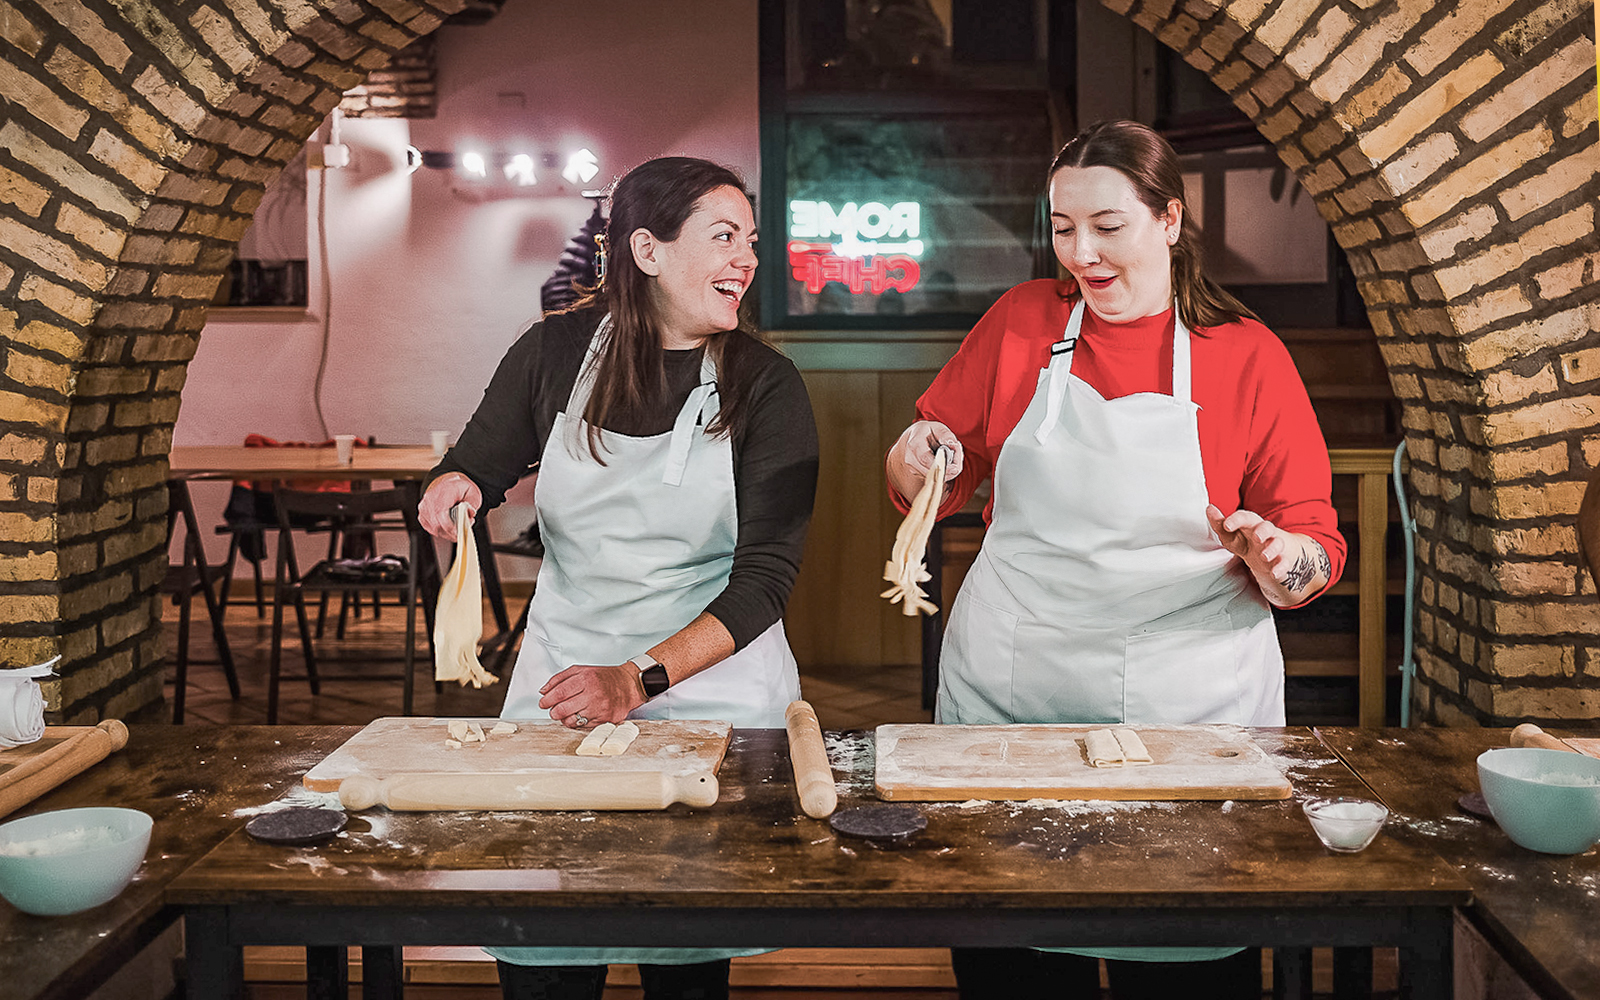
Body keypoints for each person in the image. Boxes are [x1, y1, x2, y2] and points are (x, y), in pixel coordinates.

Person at [884, 120, 1347, 1000]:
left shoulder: (1247, 354)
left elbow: (1313, 555)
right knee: (1013, 945)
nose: (1083, 254)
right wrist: (921, 455)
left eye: (1108, 226)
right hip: (1015, 693)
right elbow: (930, 477)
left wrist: (1275, 555)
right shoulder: (1023, 321)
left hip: (1190, 708)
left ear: (1169, 220)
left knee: (1180, 952)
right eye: (1064, 228)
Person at [419, 156, 820, 1000]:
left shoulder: (763, 384)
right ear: (646, 249)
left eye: (750, 240)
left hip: (714, 690)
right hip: (565, 682)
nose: (747, 259)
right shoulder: (555, 351)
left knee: (685, 952)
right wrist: (456, 486)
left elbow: (765, 581)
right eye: (722, 237)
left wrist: (637, 680)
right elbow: (479, 462)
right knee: (547, 941)